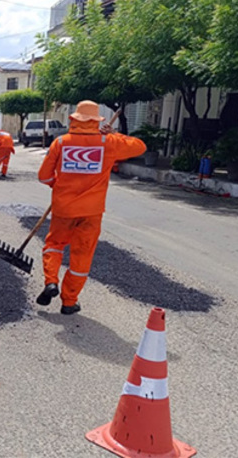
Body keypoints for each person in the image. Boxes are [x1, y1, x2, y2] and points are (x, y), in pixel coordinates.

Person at [36, 100, 146, 314]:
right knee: (82, 255)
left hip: (63, 209)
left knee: (54, 244)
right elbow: (140, 147)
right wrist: (114, 134)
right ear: (96, 121)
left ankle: (51, 281)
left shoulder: (60, 143)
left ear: (74, 119)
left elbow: (43, 176)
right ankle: (69, 302)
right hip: (92, 211)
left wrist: (56, 185)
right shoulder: (109, 142)